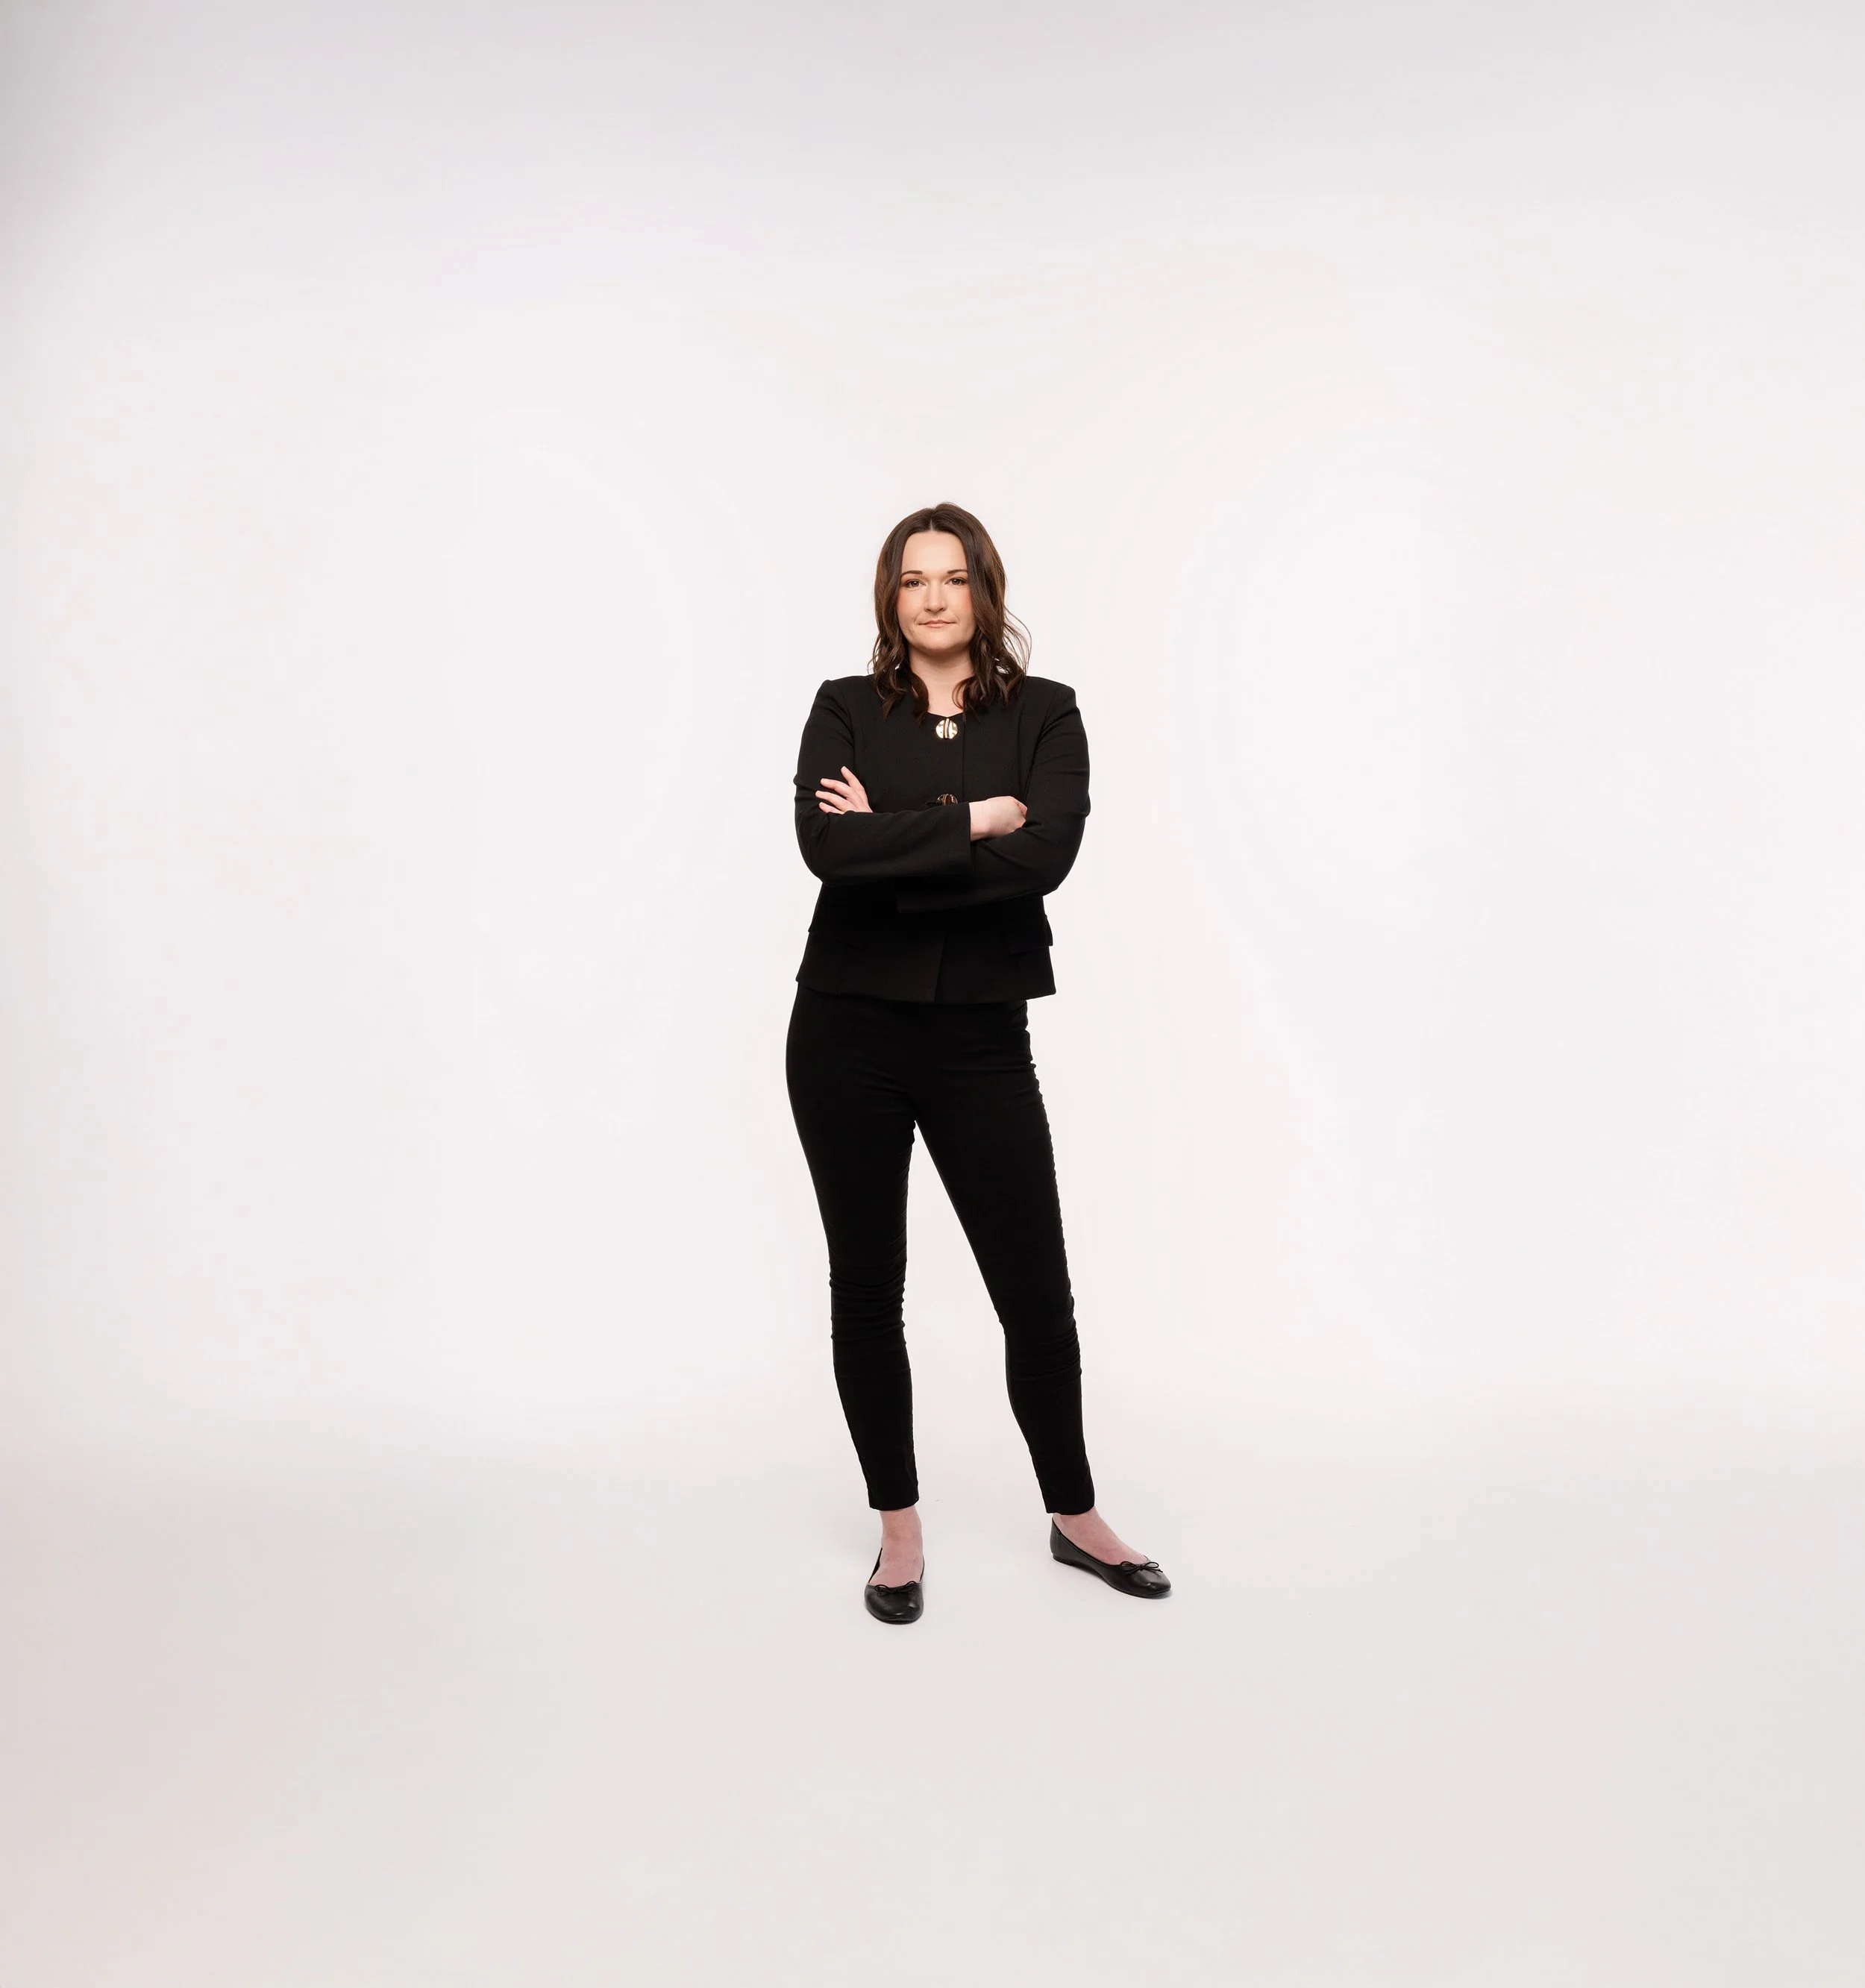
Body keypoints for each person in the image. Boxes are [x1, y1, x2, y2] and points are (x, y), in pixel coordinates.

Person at [786, 502, 1171, 1624]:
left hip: (981, 1036)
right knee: (867, 1287)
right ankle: (898, 1535)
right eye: (913, 580)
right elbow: (822, 848)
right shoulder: (843, 709)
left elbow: (1046, 860)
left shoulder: (1046, 715)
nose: (935, 597)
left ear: (985, 591)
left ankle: (1075, 1514)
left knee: (1034, 1291)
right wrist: (975, 820)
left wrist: (899, 835)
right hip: (844, 1030)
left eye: (954, 577)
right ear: (890, 598)